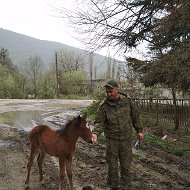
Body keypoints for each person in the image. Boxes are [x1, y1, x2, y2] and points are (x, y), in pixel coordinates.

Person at [91, 79, 144, 190]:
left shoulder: (128, 102)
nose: (109, 94)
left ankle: (126, 186)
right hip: (112, 140)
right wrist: (95, 133)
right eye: (107, 92)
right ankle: (112, 185)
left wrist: (139, 130)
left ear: (117, 90)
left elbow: (135, 117)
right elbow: (100, 122)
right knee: (112, 165)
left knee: (126, 164)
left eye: (111, 91)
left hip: (126, 139)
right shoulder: (103, 106)